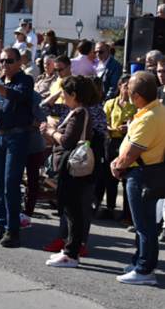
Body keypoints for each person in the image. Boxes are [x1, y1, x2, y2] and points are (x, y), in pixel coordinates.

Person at [110, 71, 165, 285]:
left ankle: (144, 269)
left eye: (130, 90)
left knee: (144, 225)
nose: (127, 92)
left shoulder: (149, 118)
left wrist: (117, 165)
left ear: (138, 96)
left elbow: (131, 153)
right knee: (145, 223)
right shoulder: (156, 110)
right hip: (148, 173)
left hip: (142, 174)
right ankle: (139, 263)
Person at [0, 48, 34, 248]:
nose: (5, 65)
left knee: (11, 183)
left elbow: (18, 96)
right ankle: (1, 225)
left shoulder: (24, 80)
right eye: (2, 61)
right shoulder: (0, 82)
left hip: (16, 136)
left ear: (19, 62)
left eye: (9, 61)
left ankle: (13, 229)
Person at [42, 76, 98, 268]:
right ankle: (68, 249)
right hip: (71, 167)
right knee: (70, 209)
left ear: (73, 95)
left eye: (65, 94)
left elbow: (67, 141)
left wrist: (51, 131)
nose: (63, 98)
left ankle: (71, 253)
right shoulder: (77, 112)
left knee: (73, 211)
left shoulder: (80, 113)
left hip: (73, 168)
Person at [96, 75, 135, 220]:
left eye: (130, 87)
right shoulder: (110, 103)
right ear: (119, 86)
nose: (128, 90)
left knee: (126, 177)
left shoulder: (135, 105)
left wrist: (128, 127)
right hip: (111, 141)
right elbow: (102, 121)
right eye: (126, 86)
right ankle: (110, 208)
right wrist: (110, 128)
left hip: (126, 142)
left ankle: (127, 213)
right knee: (109, 176)